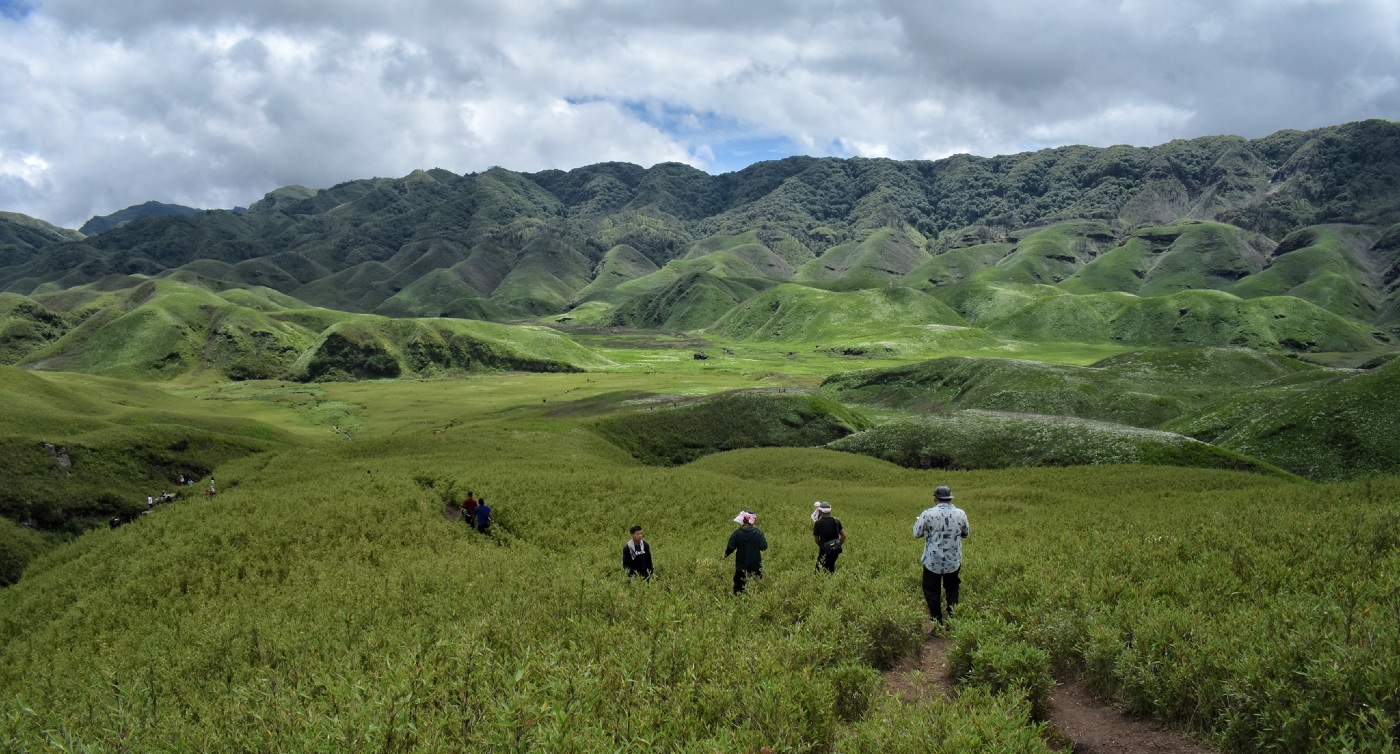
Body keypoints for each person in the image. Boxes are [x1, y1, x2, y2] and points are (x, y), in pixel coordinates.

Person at [913, 485, 970, 628]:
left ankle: (937, 622)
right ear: (950, 498)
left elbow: (916, 533)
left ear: (935, 499)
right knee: (952, 589)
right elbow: (965, 534)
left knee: (932, 591)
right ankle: (952, 621)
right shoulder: (961, 514)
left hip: (932, 561)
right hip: (953, 560)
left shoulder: (927, 514)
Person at [724, 511, 767, 595]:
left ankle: (738, 604)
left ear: (743, 520)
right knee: (756, 588)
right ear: (752, 521)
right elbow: (764, 547)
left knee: (739, 589)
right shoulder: (758, 532)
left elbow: (730, 547)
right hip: (755, 566)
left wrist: (726, 554)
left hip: (741, 566)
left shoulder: (737, 533)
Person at [812, 501, 846, 573]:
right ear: (830, 511)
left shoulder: (818, 523)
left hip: (824, 550)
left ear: (820, 511)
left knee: (818, 571)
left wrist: (822, 547)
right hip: (835, 550)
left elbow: (816, 540)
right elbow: (843, 536)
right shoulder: (836, 521)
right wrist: (838, 545)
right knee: (831, 568)